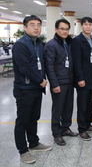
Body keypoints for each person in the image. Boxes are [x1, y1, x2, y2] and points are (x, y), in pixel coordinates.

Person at [12, 15, 52, 164]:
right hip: (25, 89)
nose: (36, 27)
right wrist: (40, 80)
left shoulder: (38, 44)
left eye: (39, 25)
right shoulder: (21, 44)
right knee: (23, 120)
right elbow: (24, 67)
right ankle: (23, 151)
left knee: (34, 117)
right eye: (32, 25)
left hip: (36, 88)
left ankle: (34, 143)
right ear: (25, 27)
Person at [44, 19, 78, 146]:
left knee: (68, 106)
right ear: (56, 29)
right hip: (59, 82)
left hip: (69, 80)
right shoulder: (51, 45)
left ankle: (65, 128)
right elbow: (49, 66)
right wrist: (54, 84)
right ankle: (56, 133)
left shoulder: (70, 43)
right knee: (58, 108)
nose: (64, 31)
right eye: (62, 29)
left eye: (67, 29)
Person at [72, 17, 92, 141]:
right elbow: (76, 61)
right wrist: (80, 78)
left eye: (90, 24)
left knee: (90, 104)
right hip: (82, 78)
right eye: (85, 24)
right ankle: (81, 129)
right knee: (82, 105)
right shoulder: (77, 40)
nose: (88, 27)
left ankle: (88, 125)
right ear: (82, 26)